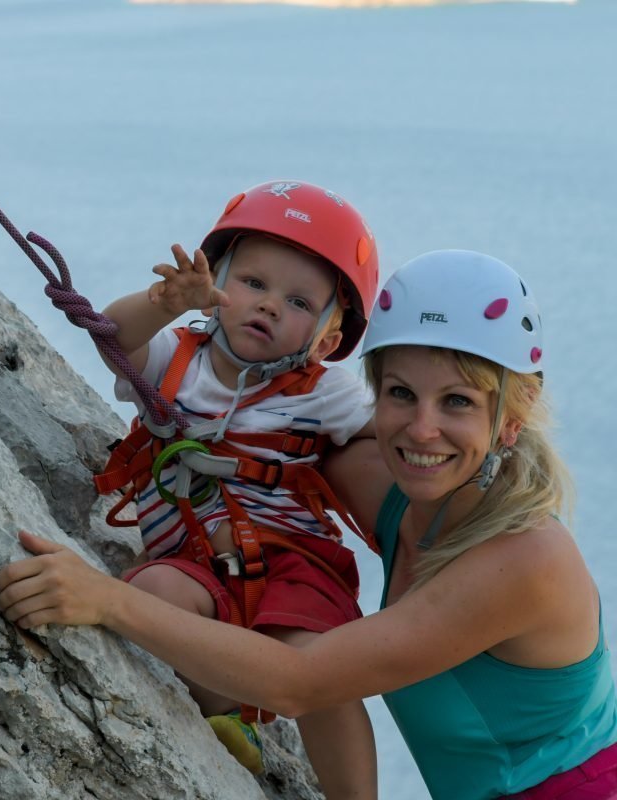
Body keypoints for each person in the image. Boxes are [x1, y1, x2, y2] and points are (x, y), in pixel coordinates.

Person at [0, 249, 617, 800]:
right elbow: (261, 430)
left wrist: (104, 600)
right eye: (401, 394)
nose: (421, 429)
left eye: (457, 401)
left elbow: (298, 683)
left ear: (512, 417)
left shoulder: (527, 560)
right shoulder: (402, 489)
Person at [88, 181, 380, 794]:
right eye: (252, 283)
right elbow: (110, 333)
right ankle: (227, 714)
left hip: (291, 562)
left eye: (299, 302)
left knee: (324, 670)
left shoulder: (326, 391)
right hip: (192, 563)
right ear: (216, 282)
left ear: (327, 338)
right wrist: (163, 301)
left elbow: (392, 432)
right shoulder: (176, 358)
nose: (270, 305)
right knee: (153, 591)